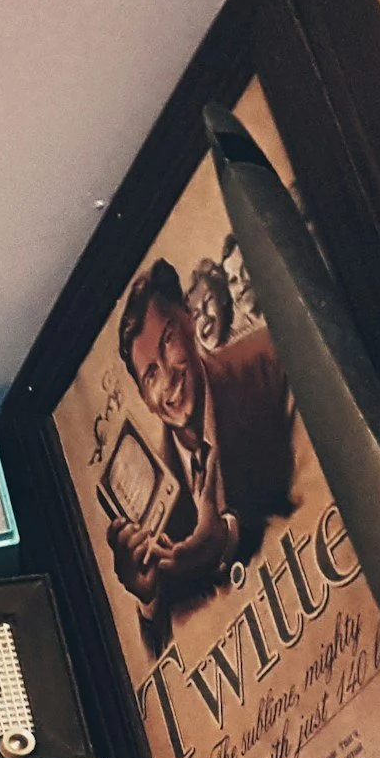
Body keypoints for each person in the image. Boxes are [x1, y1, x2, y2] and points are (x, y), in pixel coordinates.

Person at [103, 256, 297, 654]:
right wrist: (150, 595)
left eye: (169, 340)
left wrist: (226, 537)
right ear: (143, 395)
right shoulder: (157, 512)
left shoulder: (269, 366)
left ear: (190, 319)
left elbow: (320, 494)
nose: (168, 380)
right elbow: (161, 657)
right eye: (150, 374)